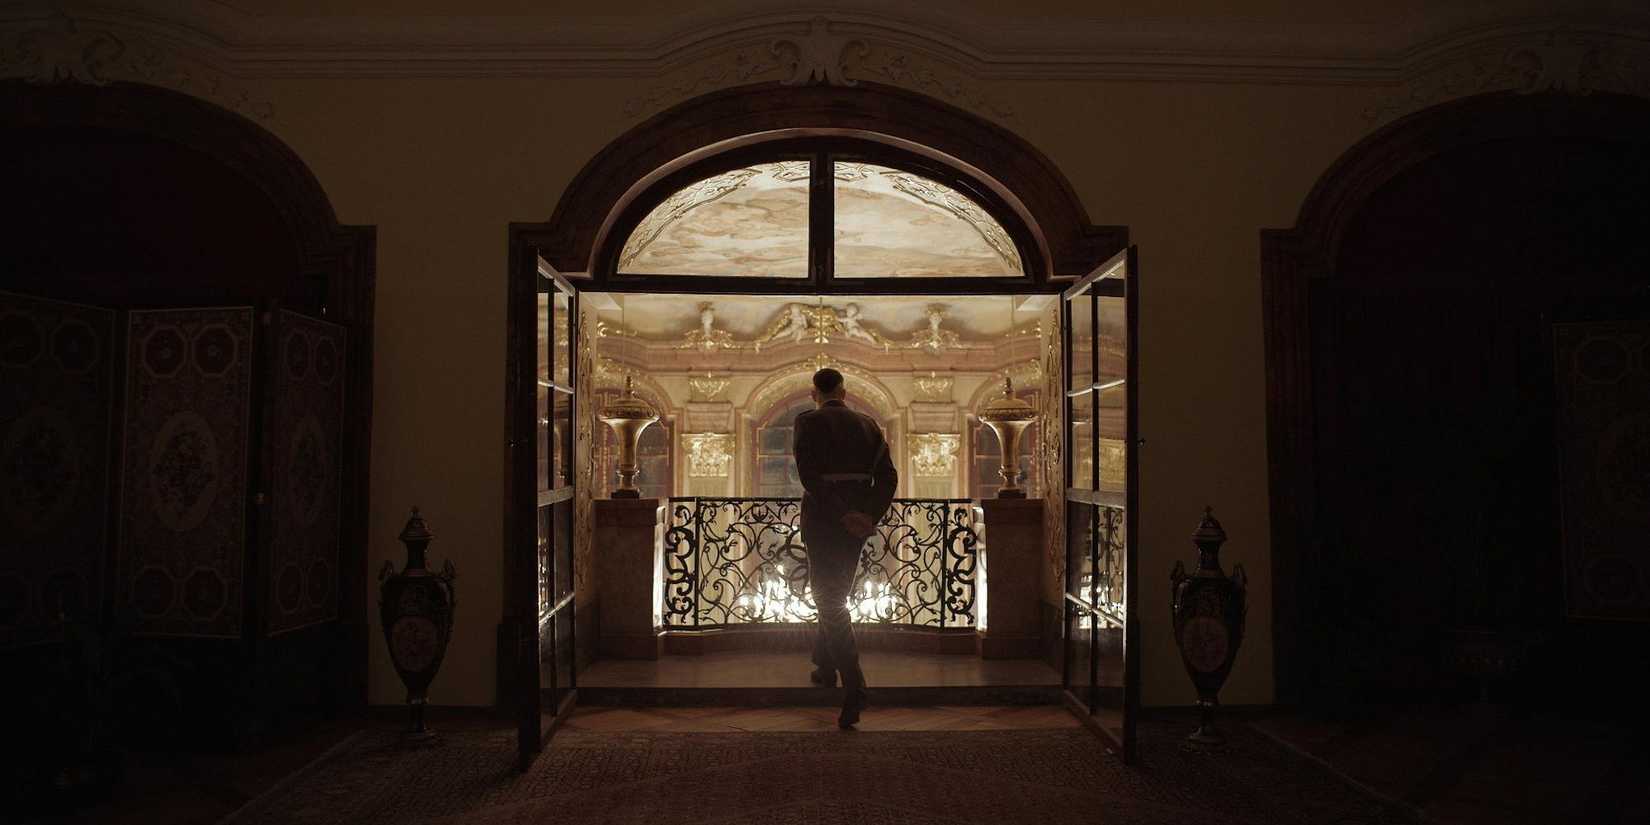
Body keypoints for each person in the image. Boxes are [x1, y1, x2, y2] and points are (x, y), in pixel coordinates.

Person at [792, 367, 898, 728]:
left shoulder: (807, 423)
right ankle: (824, 664)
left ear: (814, 394)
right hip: (856, 525)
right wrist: (866, 514)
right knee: (835, 592)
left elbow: (809, 477)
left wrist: (841, 513)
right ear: (844, 391)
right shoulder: (868, 424)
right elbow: (888, 476)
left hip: (823, 521)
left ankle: (855, 686)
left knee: (828, 597)